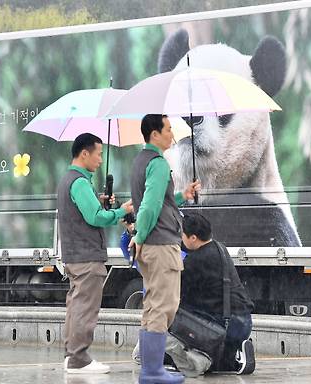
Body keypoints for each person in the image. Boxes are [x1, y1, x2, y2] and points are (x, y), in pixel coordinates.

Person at [128, 114, 200, 384]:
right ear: (154, 134)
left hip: (151, 246)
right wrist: (140, 234)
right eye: (168, 130)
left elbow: (161, 199)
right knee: (164, 307)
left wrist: (183, 195)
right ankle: (152, 372)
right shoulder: (158, 164)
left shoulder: (140, 162)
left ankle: (151, 369)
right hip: (160, 245)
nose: (172, 135)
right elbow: (149, 206)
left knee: (152, 307)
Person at [57, 133, 133, 374]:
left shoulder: (70, 180)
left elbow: (85, 209)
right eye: (99, 154)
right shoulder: (79, 182)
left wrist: (97, 200)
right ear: (84, 153)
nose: (101, 159)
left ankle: (72, 356)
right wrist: (120, 211)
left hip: (76, 254)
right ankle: (79, 359)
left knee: (76, 306)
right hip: (86, 255)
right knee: (85, 308)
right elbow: (95, 217)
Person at [166, 213, 255, 377]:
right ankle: (231, 357)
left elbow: (173, 289)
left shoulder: (196, 261)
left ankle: (211, 359)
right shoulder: (220, 248)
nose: (181, 240)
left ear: (193, 237)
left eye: (182, 236)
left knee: (170, 312)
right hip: (243, 321)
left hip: (225, 327)